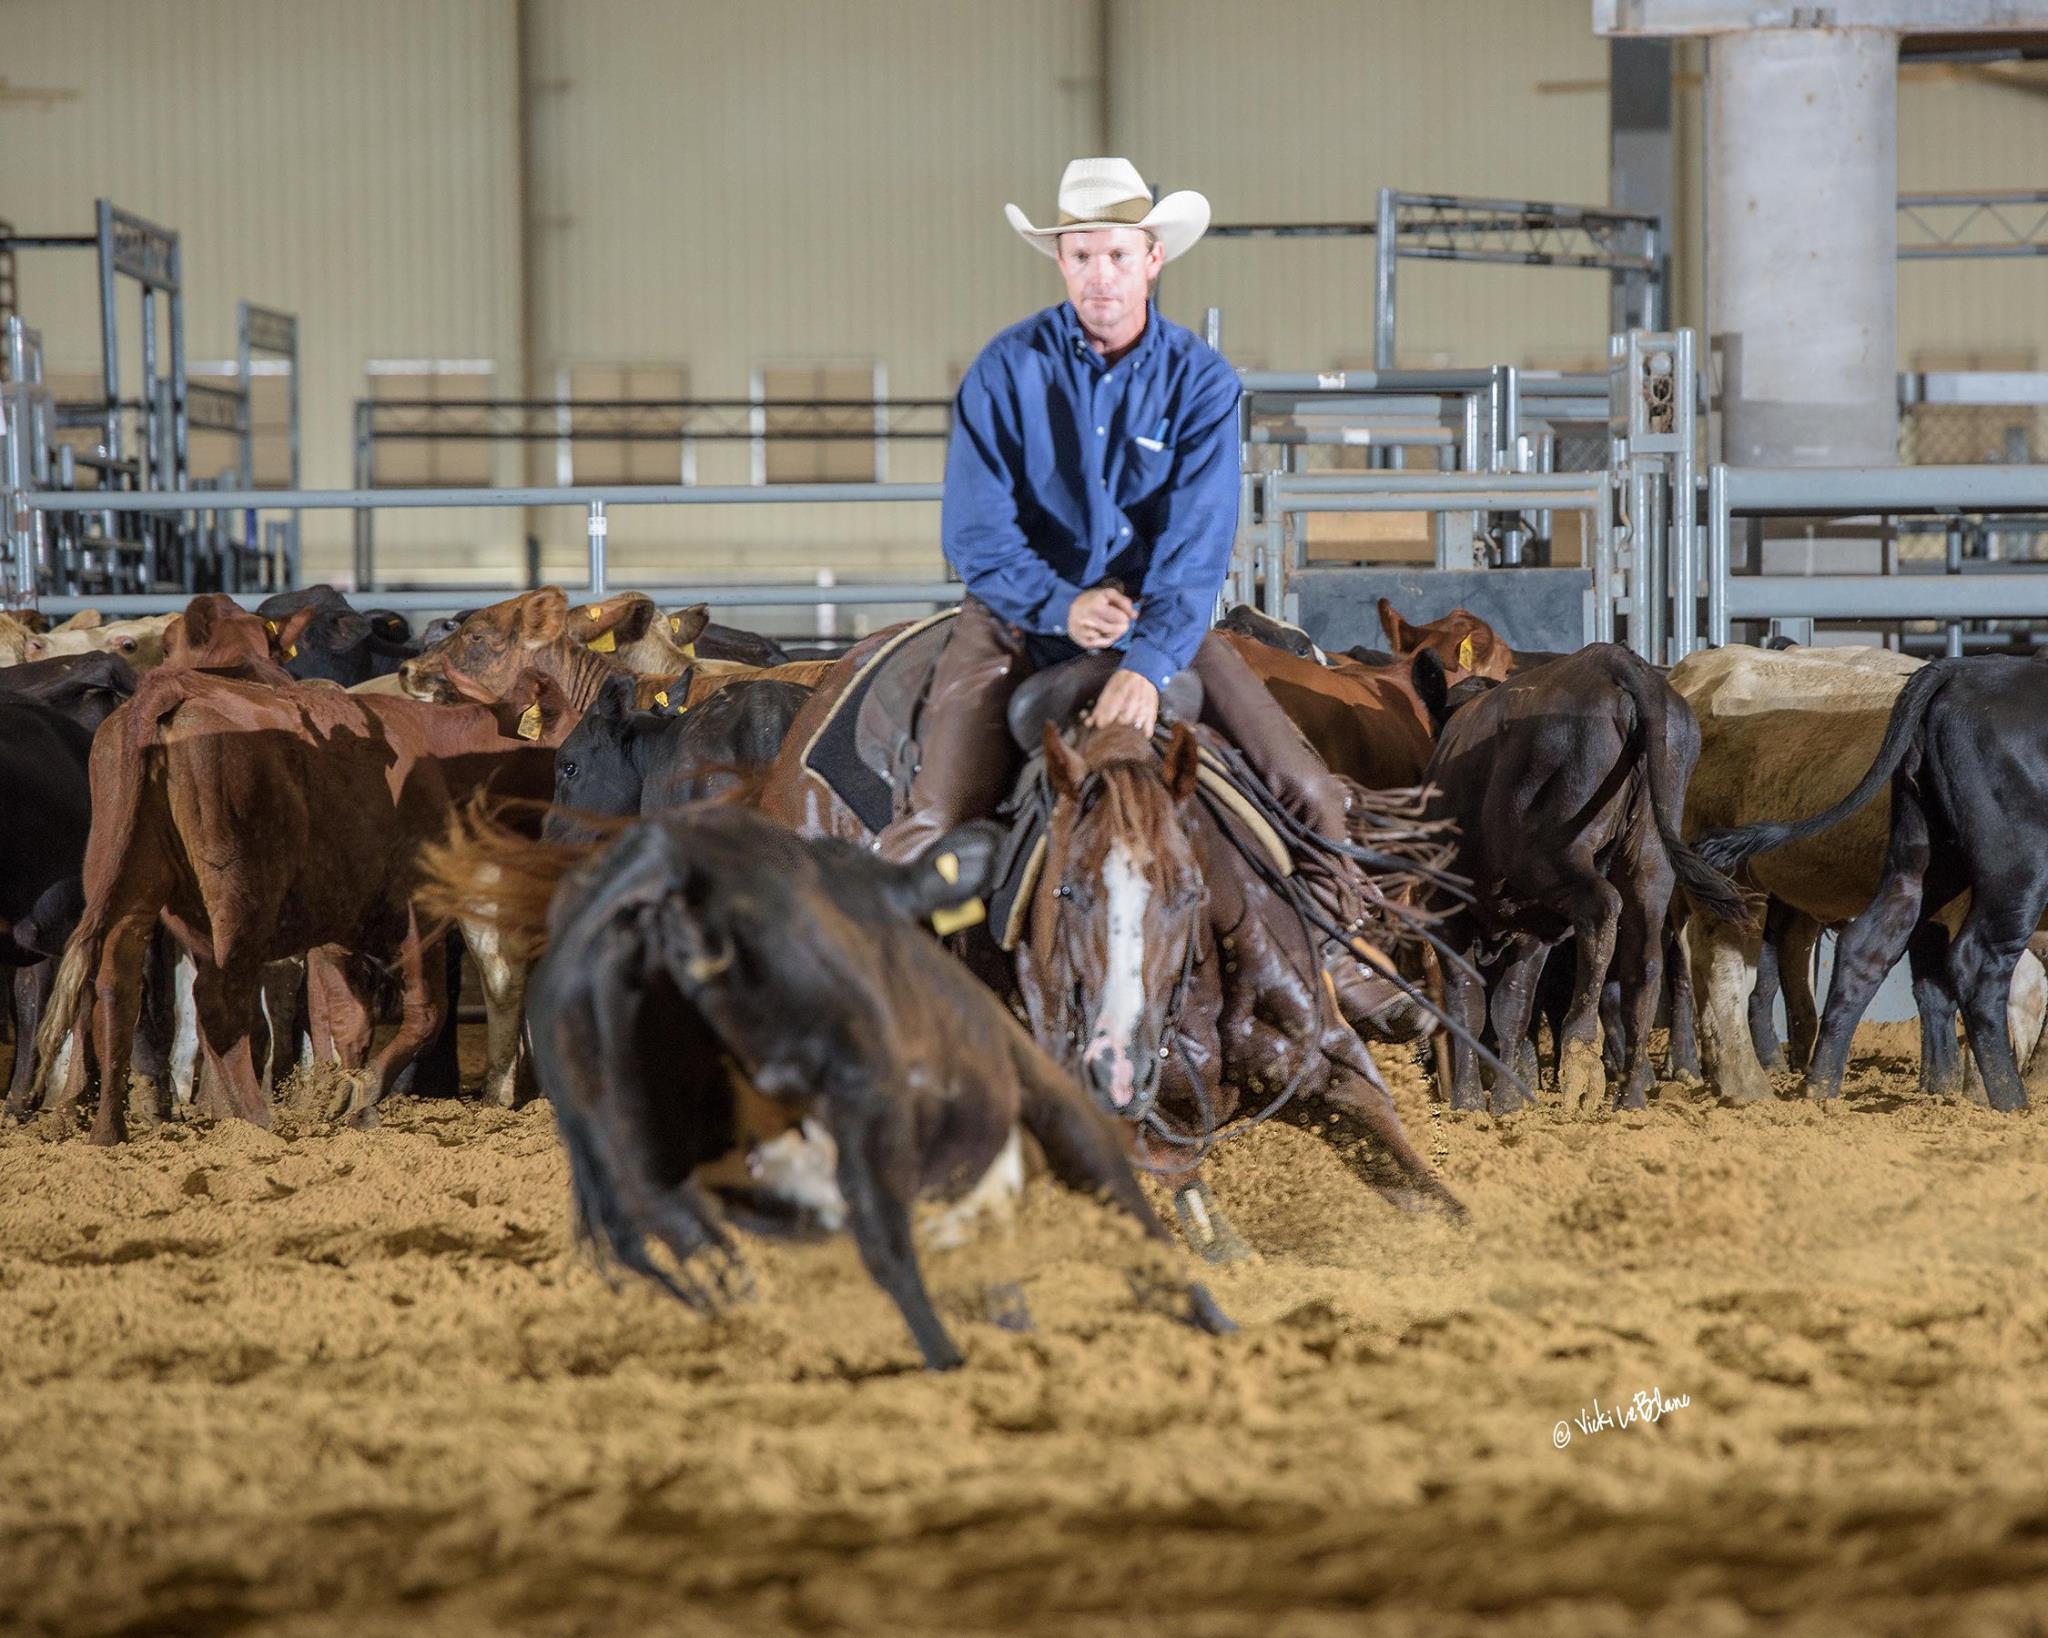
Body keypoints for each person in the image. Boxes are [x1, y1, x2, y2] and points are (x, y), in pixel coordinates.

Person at [876, 157, 1369, 933]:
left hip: (1156, 616)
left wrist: (1148, 662)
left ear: (1152, 258)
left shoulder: (1200, 382)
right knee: (933, 817)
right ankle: (906, 995)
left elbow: (1196, 542)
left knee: (1309, 789)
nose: (1099, 276)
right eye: (1080, 256)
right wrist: (1058, 605)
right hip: (1014, 614)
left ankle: (1343, 962)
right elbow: (974, 532)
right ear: (1061, 262)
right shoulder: (1006, 371)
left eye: (1116, 255)